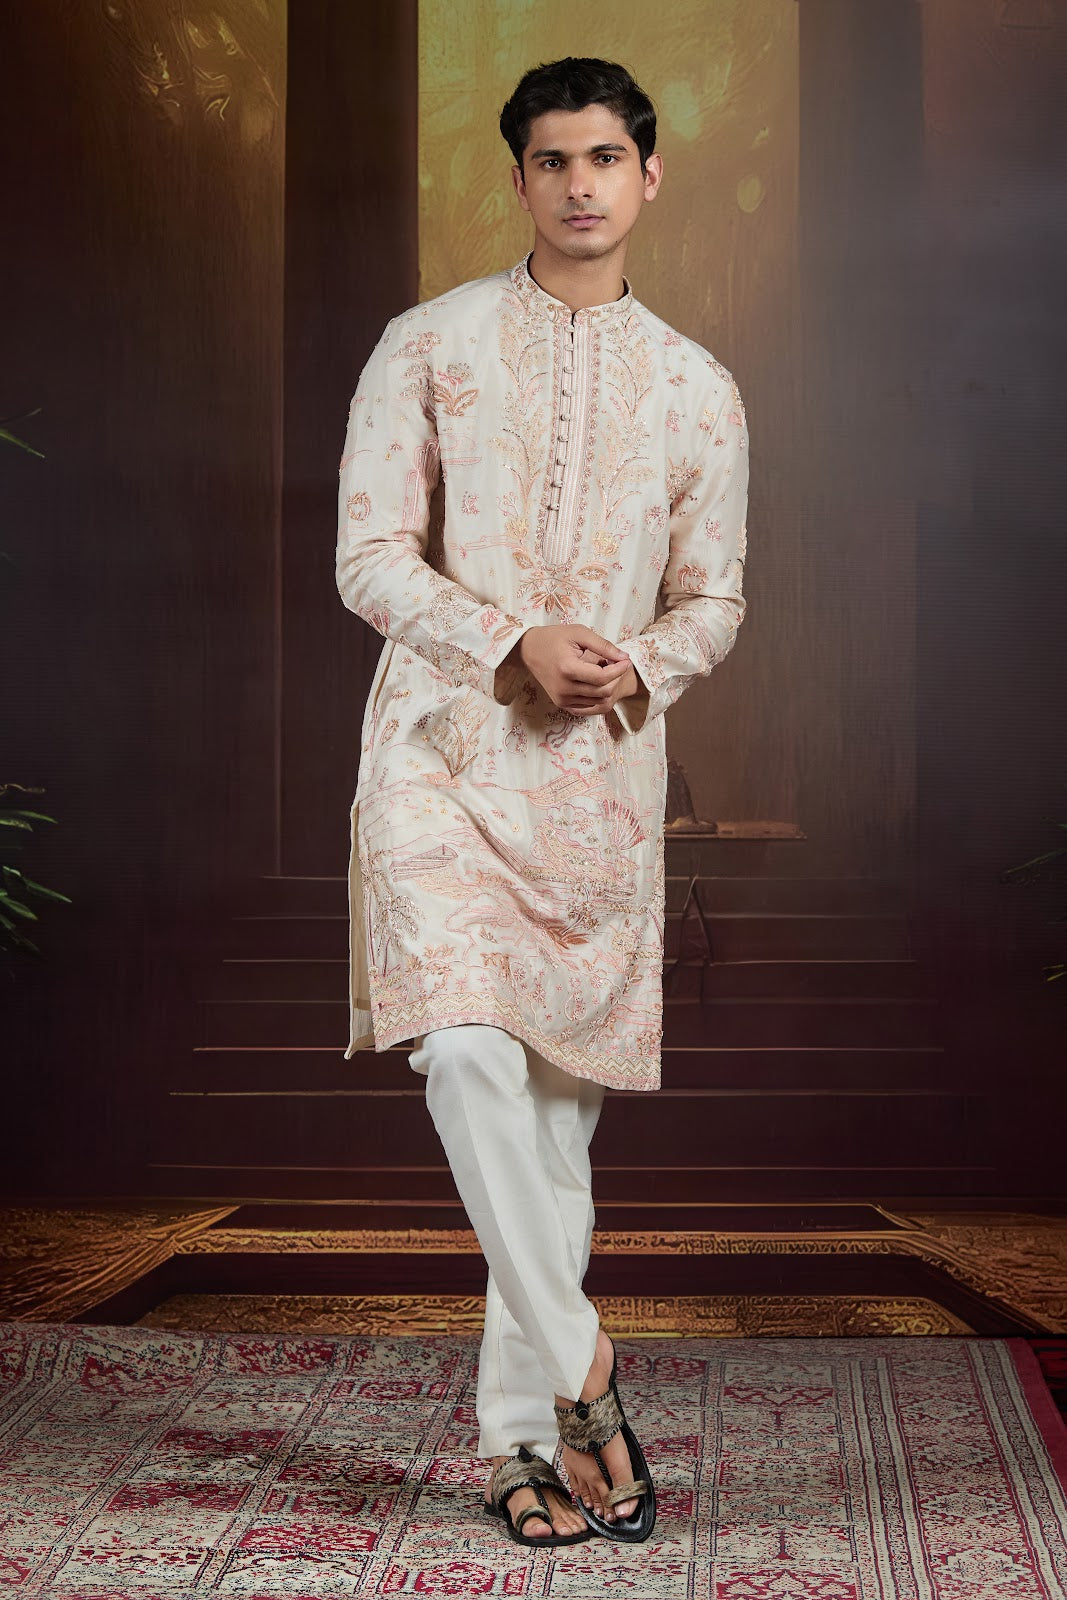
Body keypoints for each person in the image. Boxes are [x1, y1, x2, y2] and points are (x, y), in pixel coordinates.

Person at [336, 56, 750, 1546]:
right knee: (463, 1055)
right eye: (553, 160)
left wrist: (636, 663)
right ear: (517, 179)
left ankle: (521, 1447)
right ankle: (587, 1366)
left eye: (605, 158)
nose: (580, 184)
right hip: (442, 753)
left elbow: (714, 601)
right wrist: (509, 641)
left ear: (649, 175)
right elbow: (369, 558)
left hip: (596, 783)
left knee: (558, 1132)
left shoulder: (698, 387)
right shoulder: (428, 344)